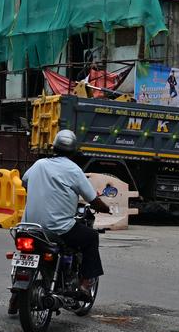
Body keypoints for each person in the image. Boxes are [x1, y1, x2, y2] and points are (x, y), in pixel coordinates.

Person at [15, 129, 111, 314]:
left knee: (24, 255)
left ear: (54, 147)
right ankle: (84, 286)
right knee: (91, 237)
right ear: (74, 151)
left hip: (28, 227)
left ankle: (15, 297)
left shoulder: (39, 164)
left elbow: (24, 182)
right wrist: (106, 208)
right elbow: (92, 199)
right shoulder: (74, 170)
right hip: (57, 229)